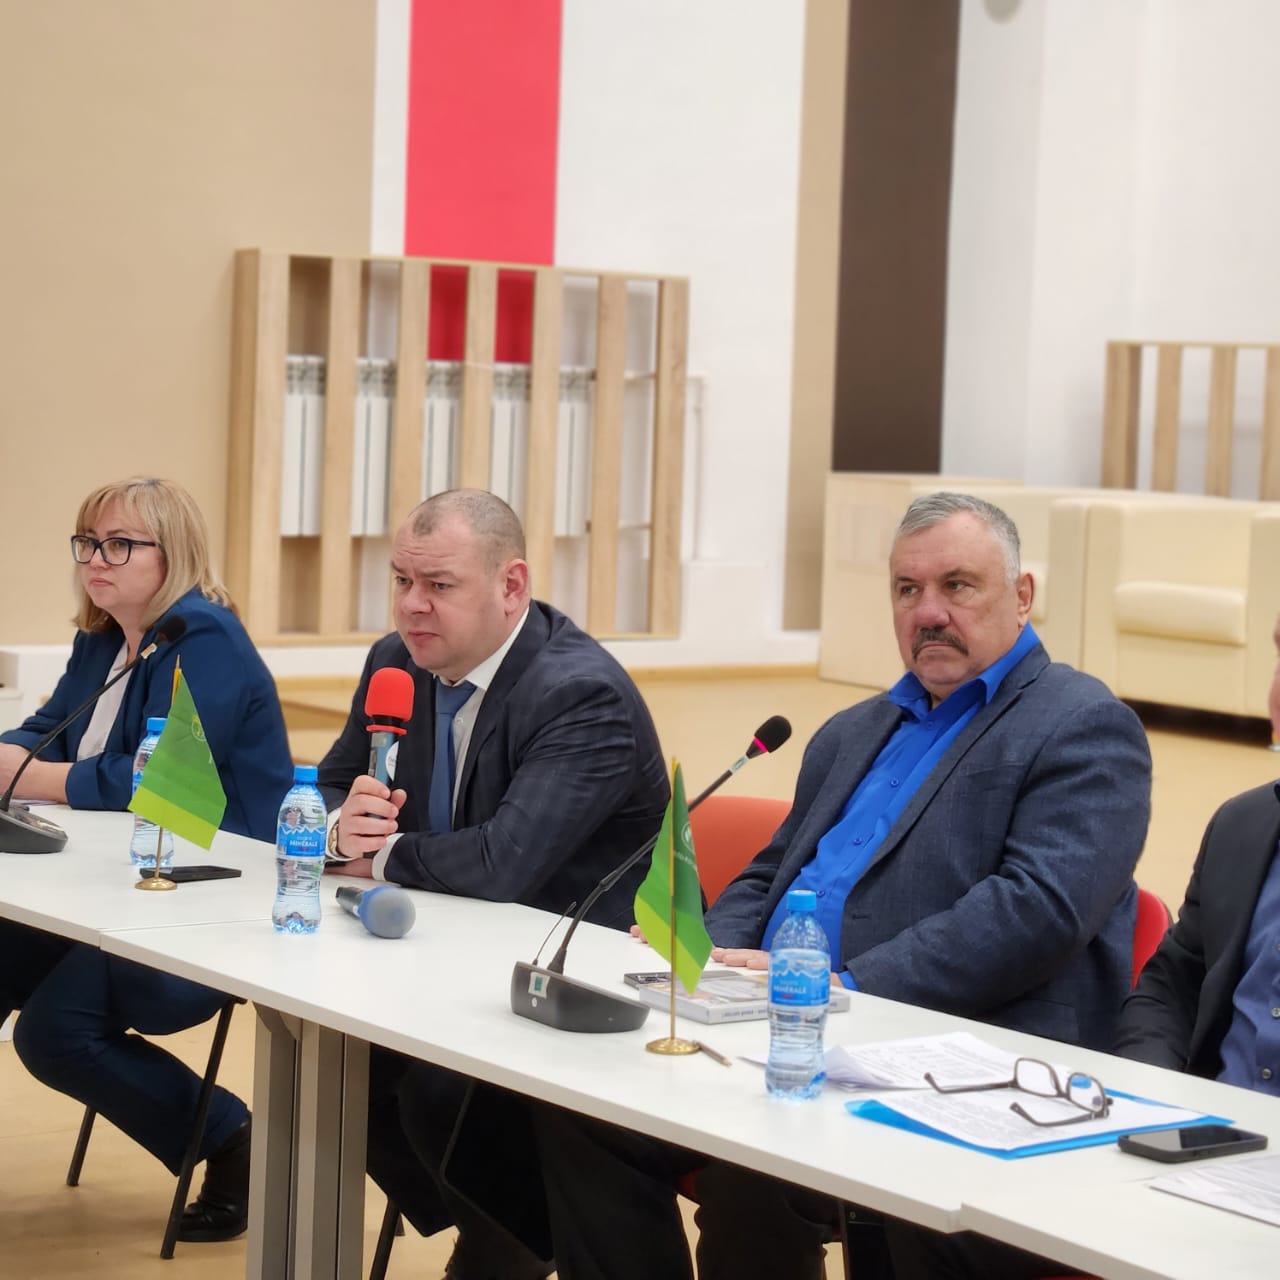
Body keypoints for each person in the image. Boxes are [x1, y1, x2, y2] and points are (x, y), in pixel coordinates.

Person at [512, 490, 1154, 1280]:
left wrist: (844, 985)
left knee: (755, 1166)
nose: (928, 612)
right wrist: (709, 949)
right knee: (581, 1107)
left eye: (958, 585)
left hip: (951, 1054)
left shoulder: (1081, 723)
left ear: (1021, 596)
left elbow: (1038, 910)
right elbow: (773, 870)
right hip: (774, 1025)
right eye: (907, 589)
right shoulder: (856, 730)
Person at [316, 488, 669, 1279]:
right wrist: (341, 828)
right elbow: (329, 783)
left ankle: (506, 1243)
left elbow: (504, 863)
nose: (412, 605)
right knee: (331, 1065)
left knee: (435, 1093)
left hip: (576, 976)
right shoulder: (395, 661)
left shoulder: (580, 693)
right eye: (402, 580)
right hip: (447, 950)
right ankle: (504, 1234)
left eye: (439, 585)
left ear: (512, 586)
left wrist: (378, 856)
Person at [0, 476, 294, 1243]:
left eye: (120, 544)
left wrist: (29, 776)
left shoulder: (205, 639)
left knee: (54, 1032)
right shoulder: (102, 639)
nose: (96, 560)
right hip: (105, 885)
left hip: (207, 902)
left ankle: (234, 1140)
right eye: (88, 542)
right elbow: (46, 728)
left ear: (174, 554)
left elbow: (154, 782)